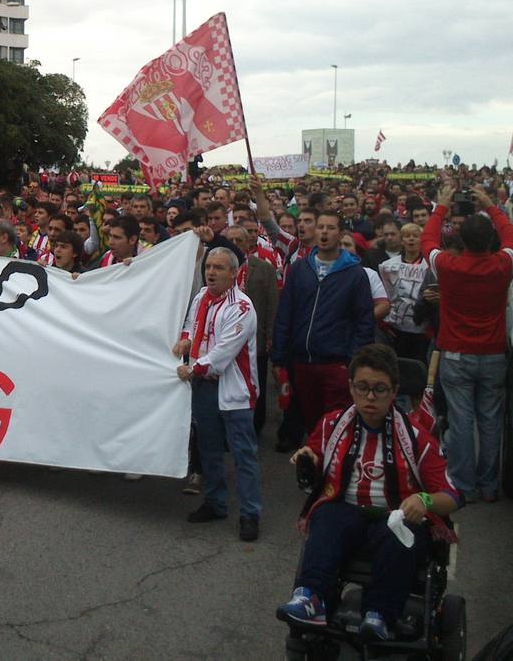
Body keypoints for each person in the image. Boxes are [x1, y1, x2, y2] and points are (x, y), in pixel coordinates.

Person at [278, 344, 459, 642]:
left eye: (379, 389)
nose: (370, 397)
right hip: (346, 514)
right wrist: (307, 456)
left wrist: (424, 500)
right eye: (362, 388)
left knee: (401, 530)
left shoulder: (417, 438)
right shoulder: (332, 426)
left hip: (393, 518)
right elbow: (315, 453)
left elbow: (452, 496)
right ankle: (310, 598)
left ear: (394, 391)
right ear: (351, 387)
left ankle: (380, 615)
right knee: (328, 516)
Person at [423, 182, 513, 502]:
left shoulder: (449, 266)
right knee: (490, 421)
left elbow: (427, 241)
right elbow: (512, 237)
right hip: (492, 355)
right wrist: (491, 204)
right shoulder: (504, 263)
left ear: (461, 238)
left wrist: (441, 206)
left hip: (456, 354)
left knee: (462, 421)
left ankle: (463, 486)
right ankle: (489, 486)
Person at [174, 247, 262, 542]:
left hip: (233, 392)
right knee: (209, 449)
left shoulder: (242, 307)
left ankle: (250, 513)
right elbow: (190, 326)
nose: (211, 272)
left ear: (234, 273)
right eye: (209, 266)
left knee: (243, 455)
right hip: (204, 389)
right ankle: (215, 502)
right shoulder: (201, 298)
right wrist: (185, 342)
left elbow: (223, 353)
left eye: (219, 268)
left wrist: (193, 368)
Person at [272, 210, 375, 435]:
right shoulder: (300, 268)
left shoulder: (355, 274)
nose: (324, 232)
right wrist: (279, 355)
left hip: (336, 363)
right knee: (311, 425)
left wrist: (352, 359)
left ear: (340, 234)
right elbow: (286, 312)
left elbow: (364, 322)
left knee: (336, 426)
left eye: (330, 228)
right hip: (302, 362)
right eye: (321, 227)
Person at [226, 225, 278, 436]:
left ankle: (255, 428)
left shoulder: (264, 268)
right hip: (226, 341)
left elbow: (271, 305)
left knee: (256, 386)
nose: (236, 245)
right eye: (231, 241)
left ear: (249, 244)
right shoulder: (216, 268)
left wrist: (270, 337)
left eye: (240, 240)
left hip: (255, 340)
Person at [377, 223, 431, 361]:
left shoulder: (429, 266)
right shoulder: (388, 266)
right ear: (402, 241)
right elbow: (386, 294)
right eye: (407, 236)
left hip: (421, 330)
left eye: (415, 236)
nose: (411, 239)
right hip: (395, 329)